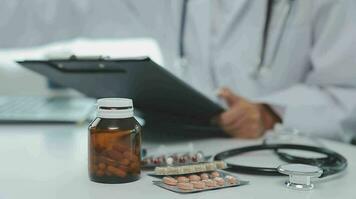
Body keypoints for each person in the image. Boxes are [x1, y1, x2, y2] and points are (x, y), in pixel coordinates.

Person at [1, 0, 356, 141]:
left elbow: (347, 91)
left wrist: (270, 113)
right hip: (187, 158)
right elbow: (65, 8)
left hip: (289, 163)